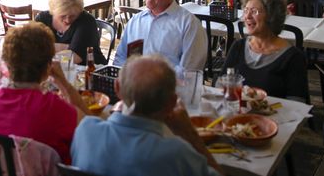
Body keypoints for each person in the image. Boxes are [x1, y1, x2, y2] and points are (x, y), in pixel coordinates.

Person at [71, 56, 223, 176]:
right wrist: (190, 134)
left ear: (117, 88)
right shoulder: (177, 153)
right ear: (171, 102)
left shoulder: (85, 131)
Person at [0, 22, 88, 163]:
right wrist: (63, 82)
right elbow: (91, 127)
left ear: (6, 63)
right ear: (48, 67)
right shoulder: (55, 109)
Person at [113, 0, 208, 73]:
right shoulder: (136, 20)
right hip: (132, 85)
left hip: (168, 88)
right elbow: (120, 58)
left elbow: (189, 71)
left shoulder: (189, 25)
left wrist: (152, 79)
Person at [222, 0, 308, 101]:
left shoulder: (293, 57)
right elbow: (221, 84)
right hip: (237, 115)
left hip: (275, 117)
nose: (247, 16)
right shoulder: (238, 46)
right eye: (246, 10)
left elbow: (297, 103)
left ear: (271, 16)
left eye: (254, 11)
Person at [35, 0, 107, 65]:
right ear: (54, 10)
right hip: (55, 70)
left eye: (73, 16)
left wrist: (47, 50)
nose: (67, 20)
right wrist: (67, 47)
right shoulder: (42, 19)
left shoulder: (86, 22)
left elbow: (74, 57)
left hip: (89, 70)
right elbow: (32, 47)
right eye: (63, 16)